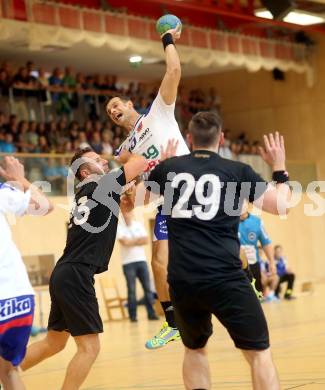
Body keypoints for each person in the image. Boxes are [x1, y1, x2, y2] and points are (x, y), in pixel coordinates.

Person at [147, 111, 291, 390]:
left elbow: (135, 200)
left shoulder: (169, 168)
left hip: (183, 280)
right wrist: (279, 167)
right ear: (221, 138)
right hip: (225, 277)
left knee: (195, 349)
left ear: (189, 138)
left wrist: (163, 166)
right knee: (259, 353)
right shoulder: (237, 171)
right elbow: (281, 205)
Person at [21, 147, 147, 390]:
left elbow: (128, 206)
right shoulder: (101, 184)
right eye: (97, 159)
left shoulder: (93, 192)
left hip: (66, 273)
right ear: (86, 171)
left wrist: (130, 191)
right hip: (76, 273)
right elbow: (140, 161)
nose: (104, 160)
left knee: (54, 343)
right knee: (90, 347)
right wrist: (127, 152)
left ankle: (6, 373)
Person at [106, 24, 189, 349]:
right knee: (159, 261)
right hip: (168, 199)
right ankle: (172, 322)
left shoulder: (158, 112)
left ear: (128, 103)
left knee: (226, 244)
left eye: (116, 104)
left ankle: (249, 277)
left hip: (194, 186)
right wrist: (129, 194)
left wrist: (166, 37)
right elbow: (134, 196)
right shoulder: (125, 150)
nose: (113, 110)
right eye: (109, 111)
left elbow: (174, 68)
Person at [0, 156, 53, 390]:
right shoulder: (2, 194)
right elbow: (46, 206)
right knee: (8, 372)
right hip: (17, 297)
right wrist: (20, 179)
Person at [117, 207, 159, 322]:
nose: (126, 215)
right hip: (128, 263)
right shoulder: (119, 228)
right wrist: (137, 240)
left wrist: (131, 241)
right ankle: (133, 316)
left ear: (131, 214)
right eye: (124, 213)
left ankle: (151, 314)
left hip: (141, 261)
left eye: (128, 212)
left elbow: (145, 240)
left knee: (148, 289)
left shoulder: (138, 225)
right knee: (131, 291)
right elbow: (123, 242)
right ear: (122, 215)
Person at [239, 208, 277, 298]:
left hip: (253, 265)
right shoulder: (228, 221)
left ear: (248, 203)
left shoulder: (257, 222)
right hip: (236, 267)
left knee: (257, 296)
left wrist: (272, 262)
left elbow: (266, 242)